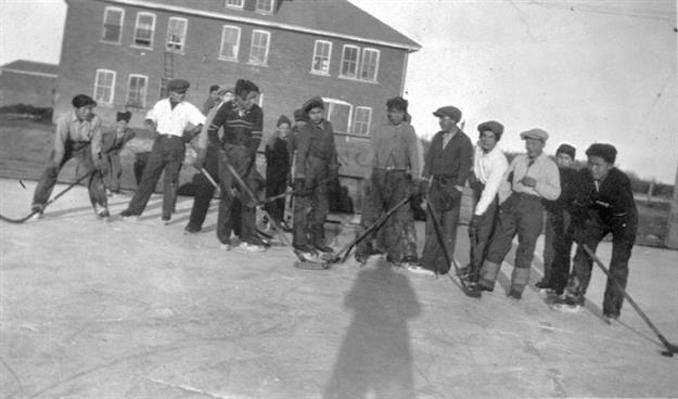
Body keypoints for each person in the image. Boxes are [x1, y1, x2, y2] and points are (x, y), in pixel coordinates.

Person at [472, 129, 561, 299]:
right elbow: (505, 181)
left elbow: (555, 193)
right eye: (528, 143)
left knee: (526, 246)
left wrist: (536, 185)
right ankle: (487, 279)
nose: (530, 146)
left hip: (533, 207)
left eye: (534, 143)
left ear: (543, 144)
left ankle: (517, 286)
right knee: (499, 240)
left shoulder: (550, 166)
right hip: (513, 202)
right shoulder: (518, 160)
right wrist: (505, 201)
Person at [553, 144, 638, 320]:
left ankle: (612, 309)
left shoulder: (620, 181)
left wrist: (595, 201)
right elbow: (578, 205)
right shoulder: (583, 175)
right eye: (590, 163)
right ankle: (574, 296)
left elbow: (619, 210)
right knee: (583, 251)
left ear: (610, 166)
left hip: (622, 221)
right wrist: (578, 228)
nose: (592, 168)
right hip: (598, 216)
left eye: (598, 165)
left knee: (619, 263)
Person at [120, 78, 205, 221]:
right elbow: (151, 116)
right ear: (171, 92)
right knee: (148, 177)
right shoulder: (161, 105)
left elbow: (203, 122)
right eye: (179, 93)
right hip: (160, 143)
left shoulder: (188, 107)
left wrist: (191, 133)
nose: (182, 95)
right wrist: (149, 123)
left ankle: (167, 214)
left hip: (177, 145)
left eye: (184, 93)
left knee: (171, 180)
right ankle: (134, 210)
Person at [354, 96, 420, 267]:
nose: (395, 116)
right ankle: (362, 250)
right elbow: (371, 152)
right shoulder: (379, 129)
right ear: (388, 112)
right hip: (379, 174)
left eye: (399, 113)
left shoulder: (409, 130)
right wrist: (368, 176)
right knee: (370, 214)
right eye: (392, 112)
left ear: (404, 114)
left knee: (397, 217)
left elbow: (414, 154)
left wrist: (415, 178)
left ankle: (394, 253)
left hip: (398, 177)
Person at [208, 79, 266, 251]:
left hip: (247, 156)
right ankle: (224, 238)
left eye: (254, 98)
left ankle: (248, 237)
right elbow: (212, 131)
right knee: (228, 196)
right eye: (249, 98)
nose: (252, 102)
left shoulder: (257, 112)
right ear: (239, 98)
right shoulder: (226, 108)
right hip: (228, 157)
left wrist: (249, 156)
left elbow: (256, 137)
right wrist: (221, 152)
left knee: (249, 196)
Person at [31, 94, 108, 217]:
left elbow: (96, 142)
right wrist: (56, 161)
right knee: (50, 171)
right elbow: (59, 142)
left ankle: (100, 206)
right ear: (76, 109)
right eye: (84, 109)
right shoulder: (64, 119)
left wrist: (96, 158)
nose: (88, 112)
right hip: (66, 146)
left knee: (94, 174)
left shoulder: (96, 120)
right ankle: (38, 205)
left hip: (84, 147)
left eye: (90, 109)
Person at [417, 106, 473, 275]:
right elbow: (429, 161)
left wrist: (458, 189)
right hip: (436, 186)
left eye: (445, 118)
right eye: (440, 119)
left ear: (455, 120)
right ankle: (427, 261)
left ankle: (442, 265)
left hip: (451, 186)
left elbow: (465, 167)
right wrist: (425, 180)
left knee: (448, 228)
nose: (441, 122)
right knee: (432, 224)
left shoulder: (464, 141)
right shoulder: (437, 137)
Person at [458, 121, 509, 283]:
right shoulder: (479, 147)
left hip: (493, 198)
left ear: (497, 140)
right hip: (479, 190)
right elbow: (475, 165)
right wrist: (473, 176)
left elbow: (490, 192)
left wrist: (478, 214)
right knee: (473, 232)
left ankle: (477, 272)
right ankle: (472, 266)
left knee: (482, 235)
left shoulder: (499, 161)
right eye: (484, 136)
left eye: (491, 137)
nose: (486, 140)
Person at [292, 97, 339, 256]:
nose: (316, 116)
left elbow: (332, 149)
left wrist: (333, 169)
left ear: (323, 112)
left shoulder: (328, 127)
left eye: (318, 112)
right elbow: (302, 154)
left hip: (323, 172)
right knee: (303, 207)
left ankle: (317, 240)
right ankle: (300, 241)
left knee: (322, 207)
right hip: (308, 170)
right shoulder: (306, 130)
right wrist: (300, 176)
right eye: (312, 113)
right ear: (308, 115)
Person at [184, 86, 235, 233]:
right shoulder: (215, 111)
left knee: (231, 191)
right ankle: (194, 224)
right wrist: (201, 155)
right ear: (221, 97)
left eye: (232, 96)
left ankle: (231, 229)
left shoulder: (236, 113)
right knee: (204, 189)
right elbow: (205, 134)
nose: (229, 99)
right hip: (213, 153)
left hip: (229, 153)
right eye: (227, 95)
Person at [536, 143, 578, 295]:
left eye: (566, 158)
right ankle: (548, 279)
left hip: (566, 216)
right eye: (560, 157)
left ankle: (559, 284)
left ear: (571, 160)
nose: (562, 161)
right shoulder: (550, 172)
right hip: (552, 213)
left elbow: (574, 197)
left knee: (563, 250)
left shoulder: (574, 176)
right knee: (549, 250)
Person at [264, 114, 292, 230]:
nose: (284, 131)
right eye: (282, 128)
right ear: (278, 128)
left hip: (283, 174)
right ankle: (268, 219)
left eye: (286, 128)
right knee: (271, 197)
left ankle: (279, 220)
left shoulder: (290, 142)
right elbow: (269, 158)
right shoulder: (272, 141)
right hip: (273, 173)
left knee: (281, 198)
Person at [102, 111, 136, 196]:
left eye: (125, 124)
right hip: (103, 152)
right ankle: (105, 188)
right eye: (121, 123)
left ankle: (114, 189)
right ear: (117, 123)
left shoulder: (128, 133)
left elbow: (133, 133)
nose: (122, 126)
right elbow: (104, 145)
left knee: (117, 170)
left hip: (114, 153)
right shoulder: (111, 131)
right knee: (106, 169)